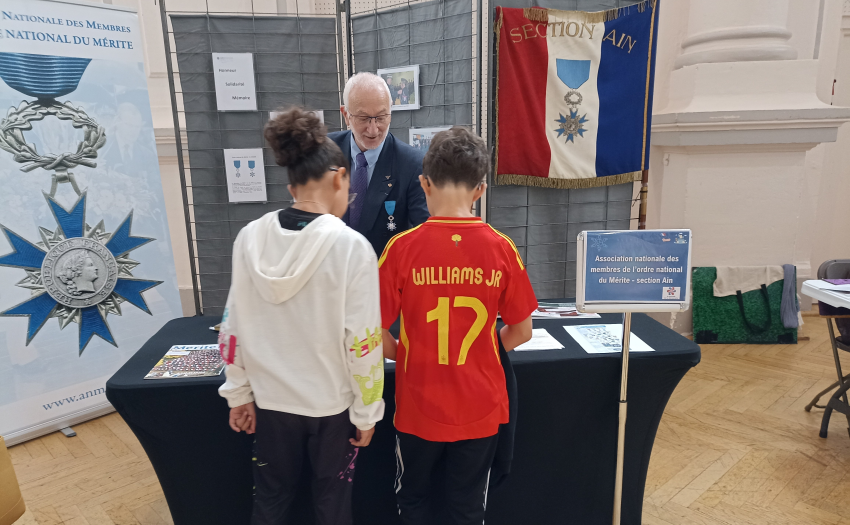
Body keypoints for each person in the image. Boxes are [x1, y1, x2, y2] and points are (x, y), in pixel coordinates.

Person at [218, 107, 385, 525]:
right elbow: (363, 342)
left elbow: (231, 327)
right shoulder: (352, 247)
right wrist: (368, 412)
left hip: (272, 406)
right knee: (332, 506)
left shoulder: (248, 237)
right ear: (338, 178)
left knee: (270, 503)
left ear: (291, 182)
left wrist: (238, 393)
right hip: (332, 409)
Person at [378, 126, 537, 525]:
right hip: (479, 407)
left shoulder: (400, 249)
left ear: (423, 183)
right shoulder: (502, 248)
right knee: (466, 507)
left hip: (417, 406)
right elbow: (521, 331)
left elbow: (370, 332)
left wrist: (406, 353)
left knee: (413, 501)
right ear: (480, 190)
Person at [331, 72, 429, 256]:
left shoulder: (412, 164)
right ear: (346, 115)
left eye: (381, 117)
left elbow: (422, 235)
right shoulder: (325, 151)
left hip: (384, 276)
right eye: (363, 118)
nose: (373, 129)